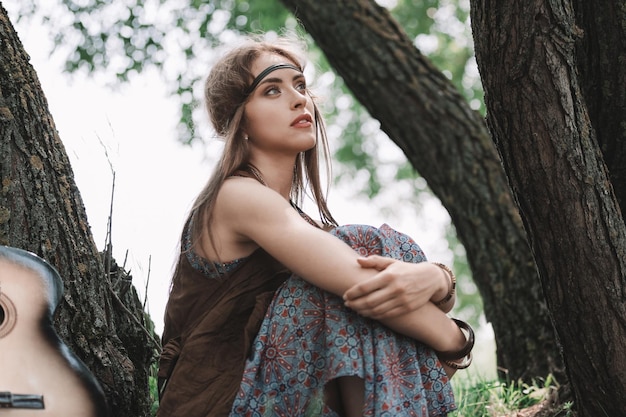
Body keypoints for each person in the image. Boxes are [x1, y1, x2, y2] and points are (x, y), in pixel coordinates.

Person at [157, 35, 474, 417]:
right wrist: (456, 338)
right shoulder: (236, 197)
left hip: (280, 401)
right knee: (357, 248)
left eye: (301, 85)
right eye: (272, 90)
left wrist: (438, 279)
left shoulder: (296, 219)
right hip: (222, 407)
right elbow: (360, 281)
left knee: (365, 255)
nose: (298, 99)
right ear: (239, 120)